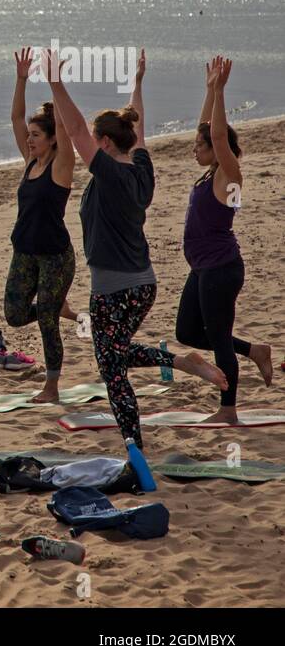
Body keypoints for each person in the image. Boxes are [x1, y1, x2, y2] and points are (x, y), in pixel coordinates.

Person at [44, 49, 226, 450]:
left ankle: (133, 445)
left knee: (112, 368)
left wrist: (56, 82)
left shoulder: (110, 174)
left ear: (105, 144)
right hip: (143, 285)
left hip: (113, 289)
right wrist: (137, 84)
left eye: (94, 142)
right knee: (116, 354)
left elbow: (74, 130)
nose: (87, 146)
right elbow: (137, 128)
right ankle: (182, 362)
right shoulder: (142, 168)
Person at [175, 56, 273, 423]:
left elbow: (215, 135)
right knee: (186, 330)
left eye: (199, 146)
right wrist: (208, 90)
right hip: (202, 269)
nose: (194, 149)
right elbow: (207, 129)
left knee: (218, 338)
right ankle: (255, 350)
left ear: (217, 150)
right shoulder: (210, 174)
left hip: (221, 269)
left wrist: (220, 91)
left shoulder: (229, 175)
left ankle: (228, 410)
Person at [5, 47, 78, 403]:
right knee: (15, 315)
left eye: (37, 134)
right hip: (24, 251)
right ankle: (56, 306)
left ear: (51, 138)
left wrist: (55, 83)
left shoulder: (61, 166)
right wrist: (21, 78)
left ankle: (51, 387)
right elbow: (16, 119)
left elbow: (66, 128)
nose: (30, 139)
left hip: (55, 256)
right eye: (30, 135)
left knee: (47, 322)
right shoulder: (29, 162)